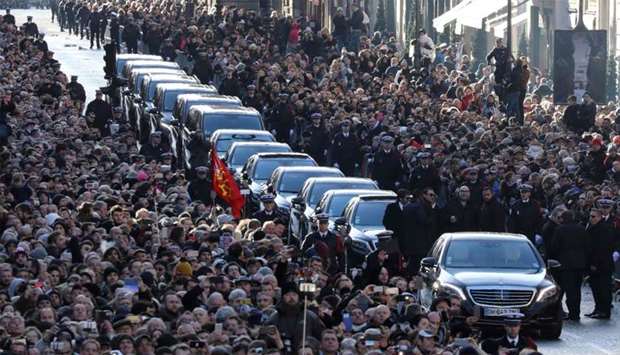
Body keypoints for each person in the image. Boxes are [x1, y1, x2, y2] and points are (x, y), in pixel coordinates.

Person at [549, 210, 589, 321]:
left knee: (569, 290)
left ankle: (572, 314)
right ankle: (576, 312)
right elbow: (587, 246)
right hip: (580, 264)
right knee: (577, 290)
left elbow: (554, 246)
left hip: (566, 265)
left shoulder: (560, 230)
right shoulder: (581, 229)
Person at [402, 187, 440, 276]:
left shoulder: (409, 207)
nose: (433, 197)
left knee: (415, 269)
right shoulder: (422, 207)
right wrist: (433, 209)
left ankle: (413, 286)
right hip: (421, 246)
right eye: (431, 195)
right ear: (424, 195)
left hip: (412, 245)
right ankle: (418, 288)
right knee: (421, 271)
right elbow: (425, 221)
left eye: (434, 195)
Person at [585, 208, 615, 319]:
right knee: (596, 288)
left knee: (603, 289)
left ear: (600, 216)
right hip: (594, 263)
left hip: (602, 265)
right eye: (590, 216)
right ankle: (598, 309)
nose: (591, 219)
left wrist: (595, 263)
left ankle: (604, 311)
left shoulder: (604, 229)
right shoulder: (592, 227)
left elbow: (602, 249)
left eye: (593, 216)